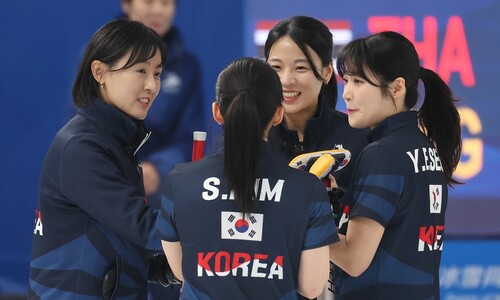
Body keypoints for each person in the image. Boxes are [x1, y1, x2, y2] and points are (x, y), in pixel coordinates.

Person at [156, 57, 338, 299]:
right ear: (278, 115)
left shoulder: (179, 181)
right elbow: (312, 286)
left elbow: (181, 270)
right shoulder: (308, 189)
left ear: (217, 112)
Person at [28, 19, 173, 299]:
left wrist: (164, 268)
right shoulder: (81, 147)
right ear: (100, 72)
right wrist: (209, 226)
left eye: (157, 73)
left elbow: (116, 244)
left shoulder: (114, 141)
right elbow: (143, 227)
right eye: (140, 70)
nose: (152, 85)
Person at [329, 31, 462, 299]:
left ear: (397, 87)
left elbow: (354, 259)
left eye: (358, 81)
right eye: (346, 81)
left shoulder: (382, 153)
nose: (347, 94)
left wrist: (305, 217)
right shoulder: (424, 147)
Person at [264, 16, 369, 216]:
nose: (286, 80)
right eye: (276, 67)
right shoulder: (251, 137)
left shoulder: (360, 139)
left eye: (301, 68)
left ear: (328, 72)